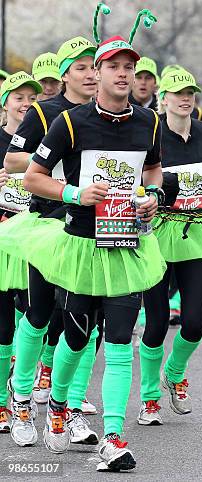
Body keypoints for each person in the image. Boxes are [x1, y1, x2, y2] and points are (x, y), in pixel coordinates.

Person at [19, 5, 165, 471]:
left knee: (120, 342)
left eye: (130, 68)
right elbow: (33, 179)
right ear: (97, 73)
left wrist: (153, 196)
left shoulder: (148, 122)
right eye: (114, 67)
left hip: (127, 244)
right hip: (81, 245)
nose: (124, 75)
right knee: (77, 339)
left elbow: (154, 170)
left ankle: (115, 437)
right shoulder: (70, 122)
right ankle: (58, 404)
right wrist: (76, 192)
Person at [3, 35, 100, 449]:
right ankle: (21, 398)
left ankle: (71, 407)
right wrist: (56, 156)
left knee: (84, 320)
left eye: (94, 66)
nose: (91, 74)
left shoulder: (110, 114)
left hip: (97, 227)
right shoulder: (45, 112)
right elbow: (12, 159)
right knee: (41, 314)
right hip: (48, 222)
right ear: (64, 76)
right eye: (81, 67)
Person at [137, 68, 202, 425]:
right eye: (178, 92)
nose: (185, 97)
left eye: (190, 91)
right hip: (158, 232)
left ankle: (174, 371)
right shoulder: (150, 130)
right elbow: (138, 179)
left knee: (194, 323)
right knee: (156, 321)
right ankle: (149, 397)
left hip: (196, 231)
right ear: (163, 99)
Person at [0, 72, 41, 433]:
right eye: (18, 97)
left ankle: (25, 385)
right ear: (5, 103)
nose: (26, 103)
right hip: (1, 243)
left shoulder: (43, 140)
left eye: (32, 97)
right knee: (0, 325)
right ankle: (1, 402)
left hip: (31, 239)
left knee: (35, 314)